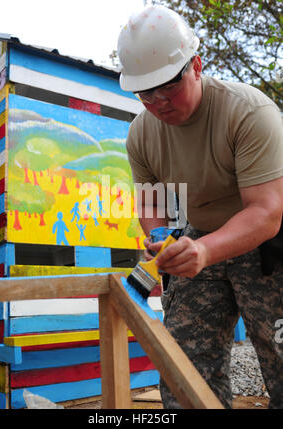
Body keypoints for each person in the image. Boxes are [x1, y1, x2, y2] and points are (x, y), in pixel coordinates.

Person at [117, 5, 283, 409]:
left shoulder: (248, 112)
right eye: (145, 92)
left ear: (195, 65)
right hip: (201, 236)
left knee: (279, 359)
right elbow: (152, 202)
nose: (157, 102)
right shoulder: (141, 134)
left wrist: (204, 251)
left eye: (167, 87)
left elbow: (266, 211)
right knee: (183, 367)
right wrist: (160, 241)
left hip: (267, 243)